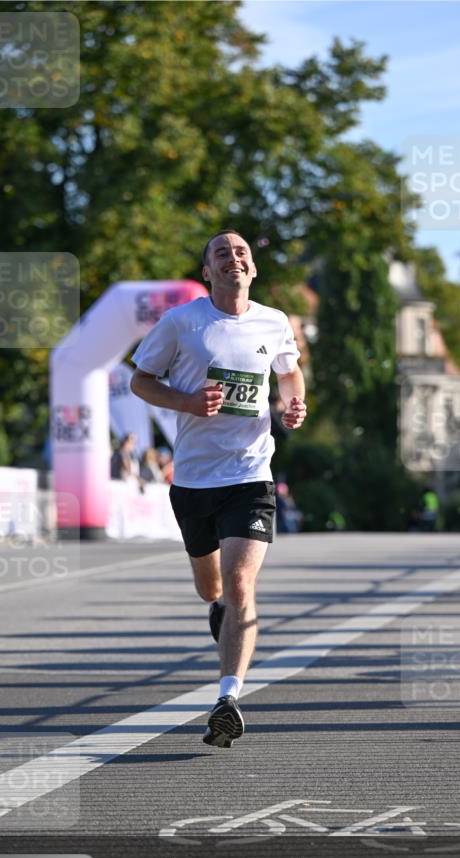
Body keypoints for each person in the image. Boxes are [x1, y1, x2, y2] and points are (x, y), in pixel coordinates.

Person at [130, 230, 307, 747]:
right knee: (212, 589)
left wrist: (294, 406)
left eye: (242, 253)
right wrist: (186, 402)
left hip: (251, 474)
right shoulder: (182, 322)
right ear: (207, 272)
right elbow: (141, 380)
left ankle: (228, 698)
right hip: (193, 480)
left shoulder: (273, 322)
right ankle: (219, 612)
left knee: (239, 583)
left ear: (253, 270)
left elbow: (289, 376)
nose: (234, 258)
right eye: (221, 254)